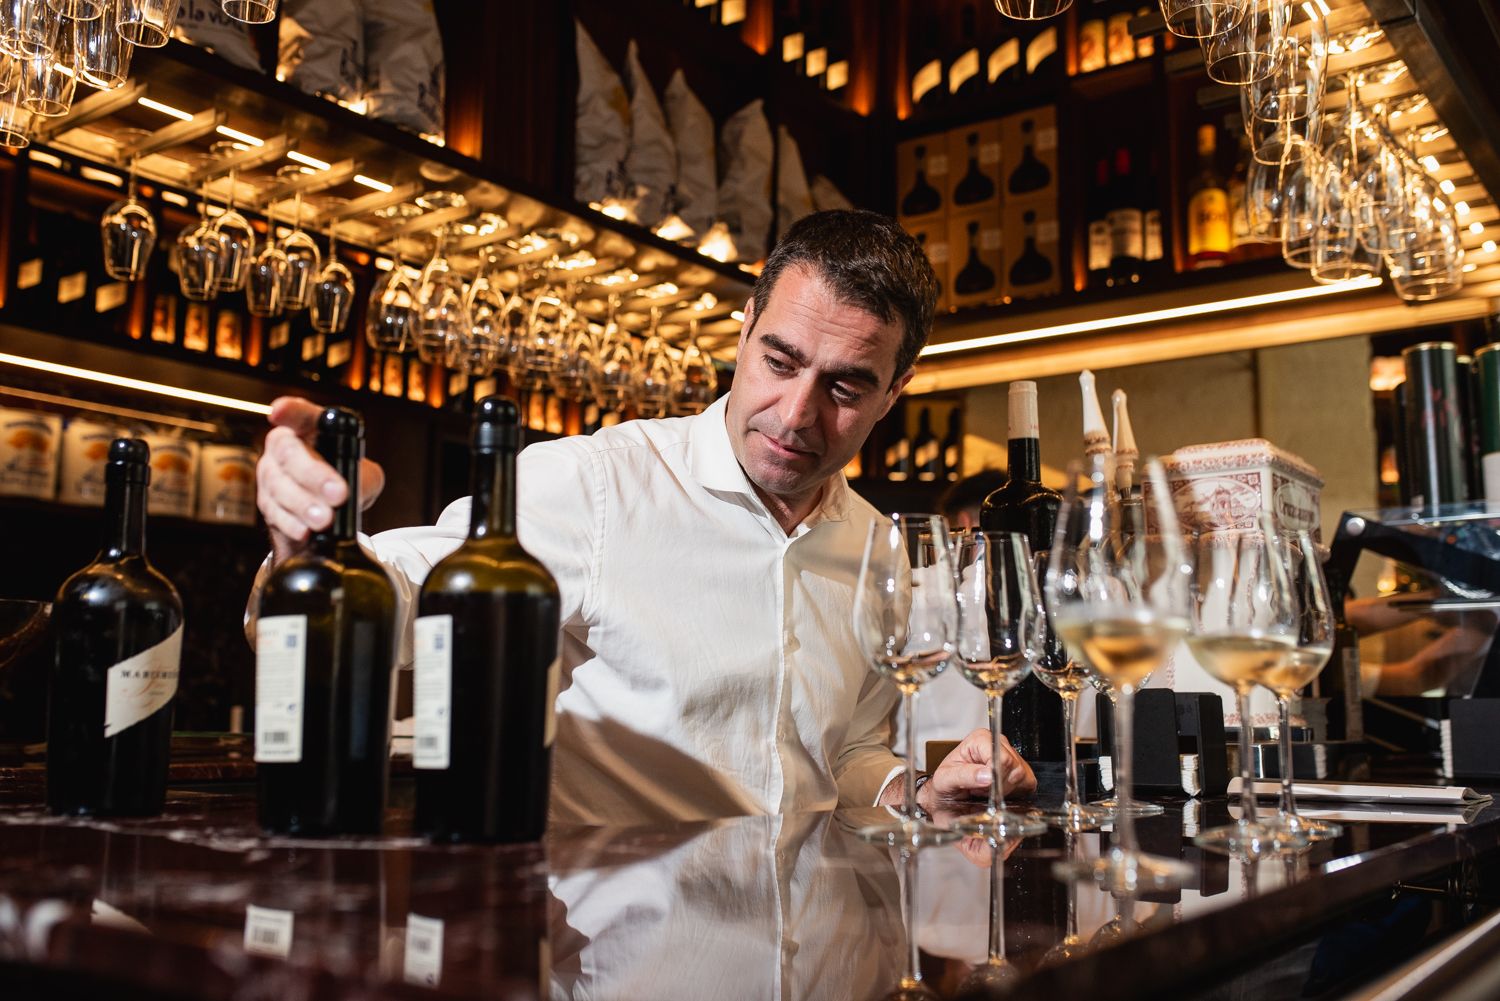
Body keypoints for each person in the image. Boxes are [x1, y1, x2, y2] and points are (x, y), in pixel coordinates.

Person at [250, 209, 1036, 825]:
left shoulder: (878, 548)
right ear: (745, 326)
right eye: (780, 361)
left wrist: (918, 788)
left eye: (845, 387)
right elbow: (396, 595)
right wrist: (311, 546)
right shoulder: (597, 486)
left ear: (893, 392)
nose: (796, 414)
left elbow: (848, 752)